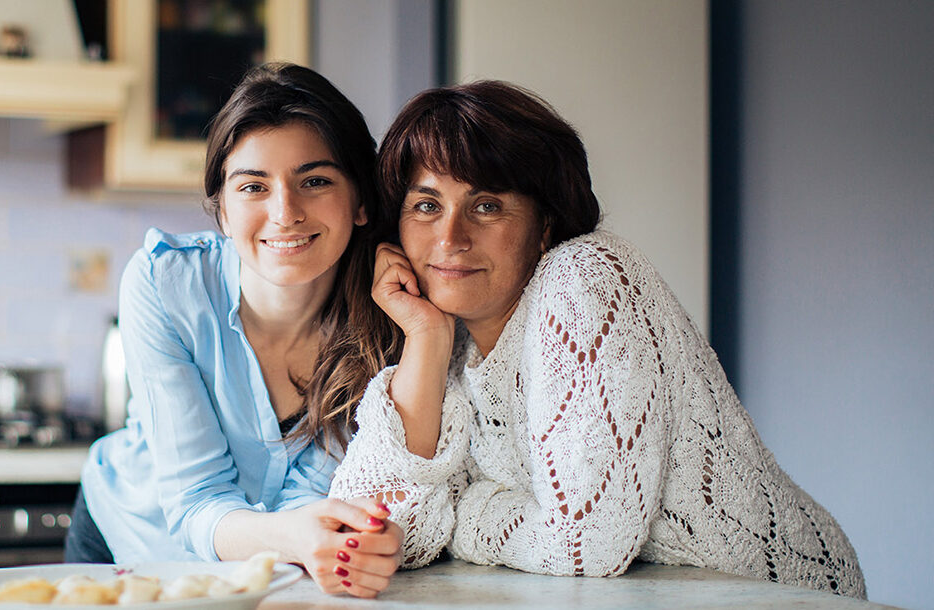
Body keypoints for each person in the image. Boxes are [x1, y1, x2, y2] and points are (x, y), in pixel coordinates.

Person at [329, 80, 866, 598]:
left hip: (784, 591)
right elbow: (370, 534)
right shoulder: (450, 342)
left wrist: (466, 512)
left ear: (544, 225)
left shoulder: (584, 278)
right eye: (426, 206)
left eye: (487, 205)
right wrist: (424, 339)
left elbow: (587, 545)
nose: (451, 237)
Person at [68, 63, 404, 598]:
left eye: (314, 181)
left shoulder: (391, 318)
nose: (285, 212)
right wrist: (297, 536)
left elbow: (321, 505)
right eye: (253, 186)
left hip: (278, 568)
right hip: (132, 541)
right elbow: (196, 498)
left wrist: (312, 536)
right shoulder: (165, 282)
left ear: (360, 200)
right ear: (221, 210)